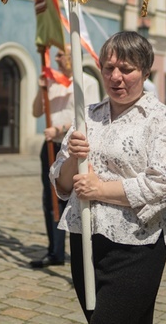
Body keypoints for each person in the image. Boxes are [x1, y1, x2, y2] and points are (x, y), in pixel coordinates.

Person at [51, 31, 166, 323]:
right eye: (109, 68)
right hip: (84, 239)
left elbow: (165, 184)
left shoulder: (159, 119)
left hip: (136, 245)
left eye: (127, 69)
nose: (116, 77)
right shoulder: (86, 116)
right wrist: (74, 156)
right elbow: (60, 185)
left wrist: (99, 189)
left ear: (145, 71)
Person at [31, 44, 100, 269]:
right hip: (51, 146)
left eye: (61, 55)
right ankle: (55, 250)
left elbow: (88, 116)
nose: (57, 58)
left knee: (78, 197)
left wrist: (59, 128)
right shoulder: (53, 81)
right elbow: (36, 112)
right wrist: (40, 88)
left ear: (72, 58)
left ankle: (84, 250)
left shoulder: (87, 82)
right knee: (50, 199)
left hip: (74, 147)